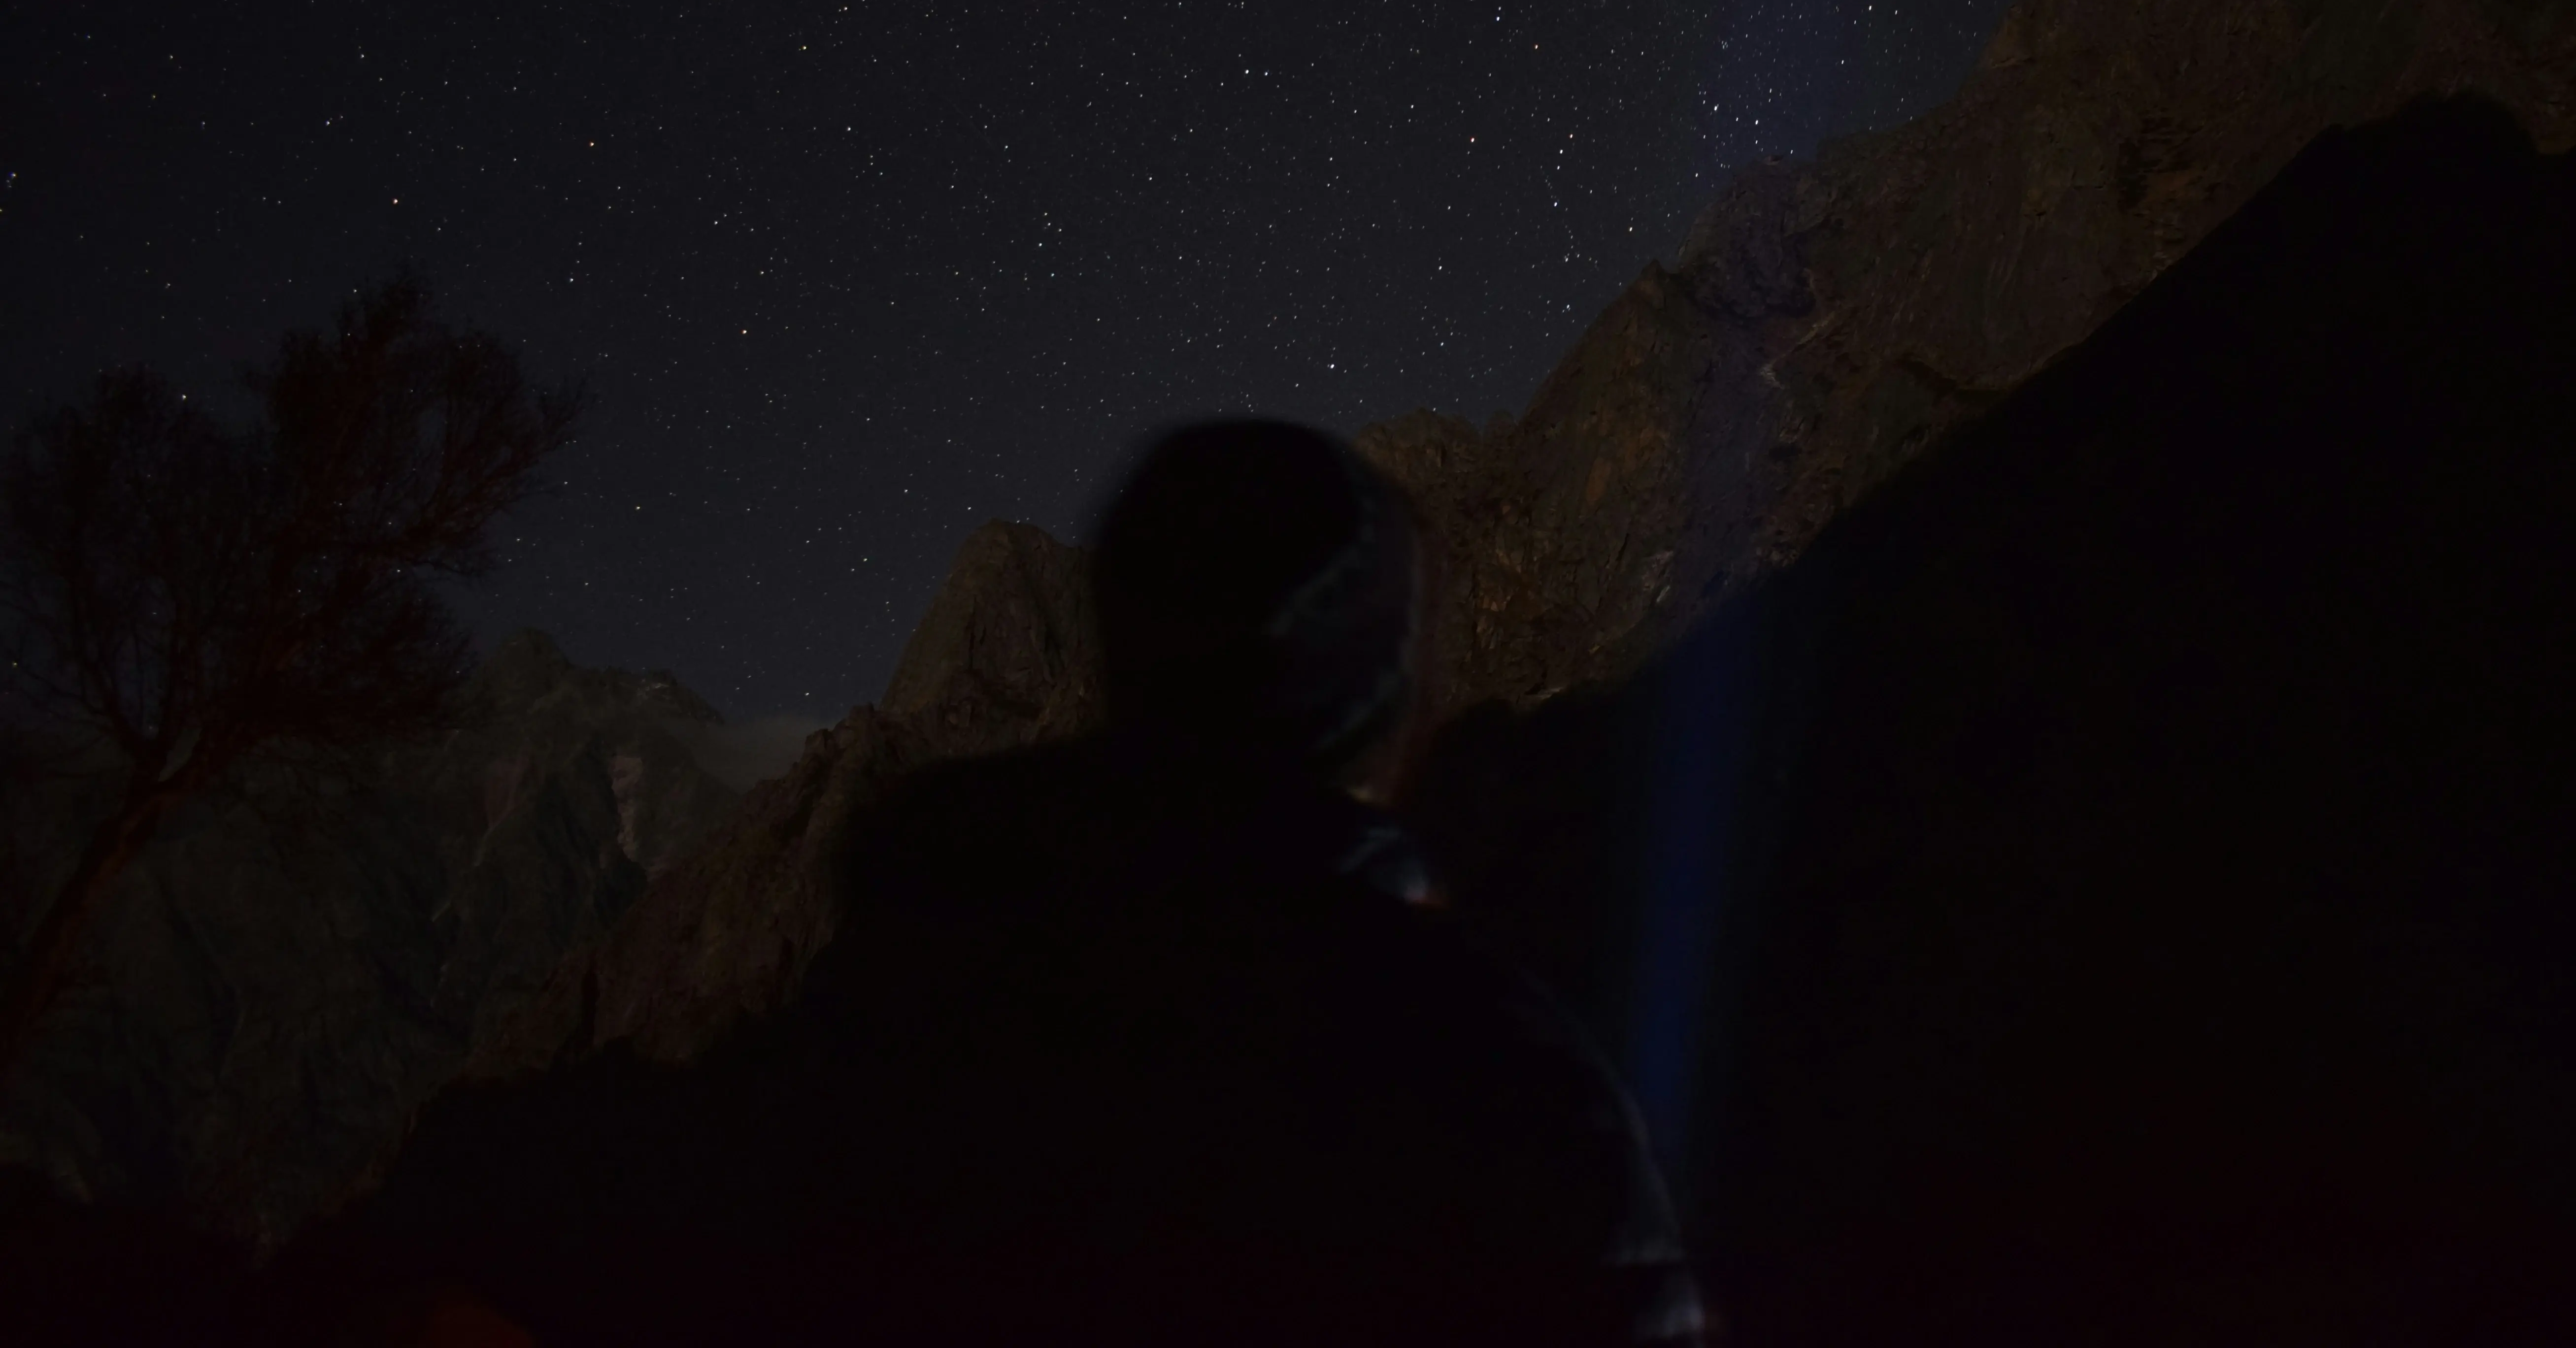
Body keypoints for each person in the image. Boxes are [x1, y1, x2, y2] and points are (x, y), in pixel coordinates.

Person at [288, 419, 1703, 1347]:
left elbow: (543, 1193)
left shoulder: (903, 1036)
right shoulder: (1503, 1087)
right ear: (1390, 695)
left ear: (1123, 653)